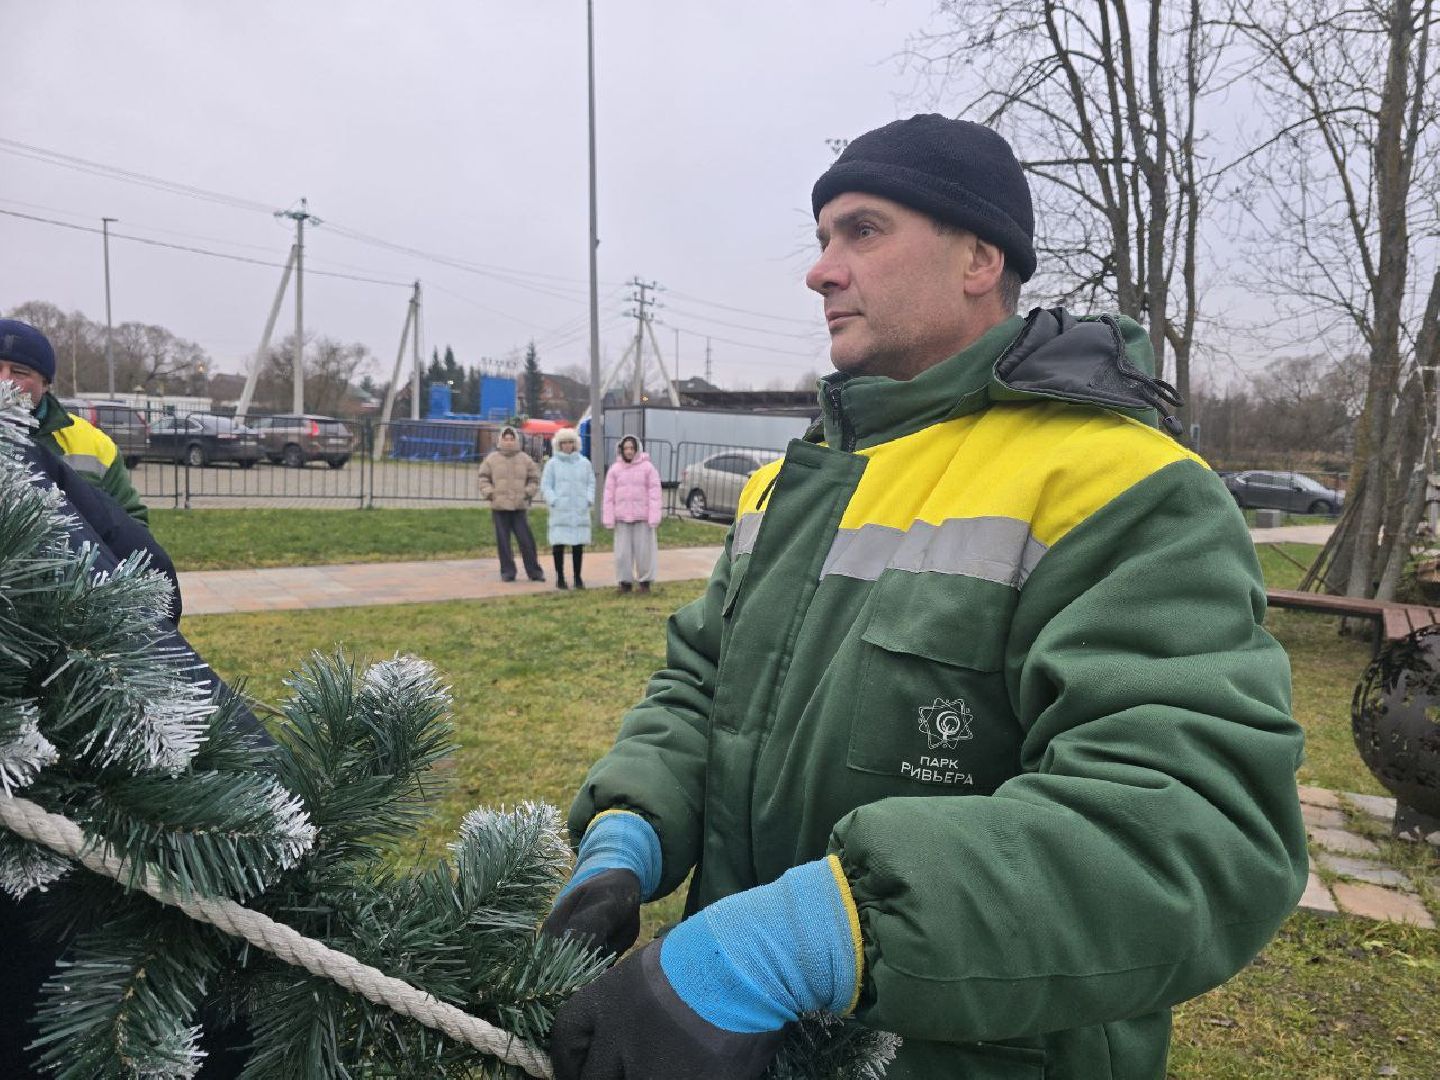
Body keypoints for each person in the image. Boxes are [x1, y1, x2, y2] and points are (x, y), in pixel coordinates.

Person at [541, 115, 1306, 1080]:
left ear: (980, 257)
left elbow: (1194, 833)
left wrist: (808, 940)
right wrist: (628, 830)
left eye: (861, 231)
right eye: (821, 240)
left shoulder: (1122, 486)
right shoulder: (792, 485)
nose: (821, 271)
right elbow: (700, 684)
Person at [0, 318, 148, 523]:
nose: (4, 381)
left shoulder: (94, 445)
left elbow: (133, 527)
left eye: (19, 372)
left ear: (44, 384)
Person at [478, 425, 544, 583]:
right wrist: (490, 493)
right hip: (499, 507)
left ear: (516, 440)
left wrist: (527, 492)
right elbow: (483, 478)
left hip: (519, 507)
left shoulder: (525, 459)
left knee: (526, 541)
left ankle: (534, 572)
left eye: (511, 438)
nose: (508, 442)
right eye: (505, 439)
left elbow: (534, 479)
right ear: (500, 440)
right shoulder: (491, 459)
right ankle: (508, 572)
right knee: (503, 542)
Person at [601, 435, 661, 594]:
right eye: (626, 448)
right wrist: (608, 518)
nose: (628, 451)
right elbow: (608, 495)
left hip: (643, 518)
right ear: (621, 450)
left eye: (631, 448)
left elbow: (655, 493)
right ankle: (624, 583)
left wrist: (654, 516)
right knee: (622, 553)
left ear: (637, 449)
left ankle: (645, 583)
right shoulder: (615, 469)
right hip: (622, 519)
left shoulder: (648, 468)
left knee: (644, 553)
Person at [541, 426, 594, 590]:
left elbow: (591, 483)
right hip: (560, 511)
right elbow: (546, 485)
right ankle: (560, 577)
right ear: (559, 444)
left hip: (579, 510)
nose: (567, 446)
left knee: (578, 545)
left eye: (571, 442)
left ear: (575, 444)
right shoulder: (552, 464)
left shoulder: (584, 463)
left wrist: (588, 499)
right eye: (564, 442)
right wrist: (554, 500)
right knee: (559, 545)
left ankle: (578, 578)